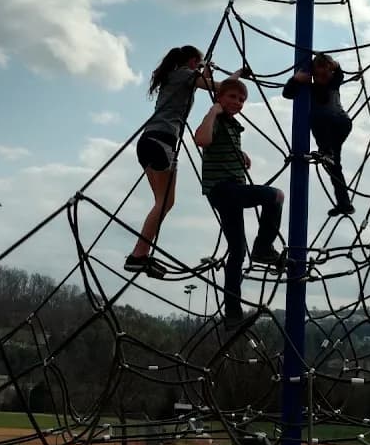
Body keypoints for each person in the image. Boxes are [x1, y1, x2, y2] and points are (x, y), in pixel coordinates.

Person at [194, 77, 285, 326]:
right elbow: (201, 140)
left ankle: (232, 313)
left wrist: (240, 153)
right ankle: (263, 247)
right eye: (232, 97)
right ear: (219, 98)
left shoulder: (233, 127)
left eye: (242, 99)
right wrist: (213, 111)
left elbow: (219, 145)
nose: (237, 102)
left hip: (231, 191)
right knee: (275, 195)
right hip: (223, 189)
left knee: (237, 251)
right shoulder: (216, 119)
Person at [124, 45, 214, 277]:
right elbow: (214, 87)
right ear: (194, 61)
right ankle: (138, 254)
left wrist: (205, 71)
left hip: (148, 141)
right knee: (165, 202)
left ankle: (140, 254)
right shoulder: (185, 74)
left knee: (161, 202)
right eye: (200, 62)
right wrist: (231, 77)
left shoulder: (173, 77)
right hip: (162, 141)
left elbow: (203, 83)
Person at [283, 52, 354, 216]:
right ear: (313, 74)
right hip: (327, 127)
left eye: (327, 73)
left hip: (340, 124)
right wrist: (295, 79)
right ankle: (344, 203)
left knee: (317, 117)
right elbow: (287, 94)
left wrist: (335, 66)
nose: (324, 77)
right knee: (334, 166)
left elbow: (339, 75)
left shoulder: (334, 83)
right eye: (319, 74)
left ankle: (327, 152)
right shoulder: (309, 88)